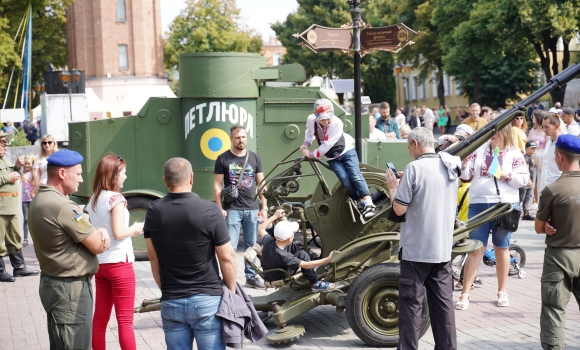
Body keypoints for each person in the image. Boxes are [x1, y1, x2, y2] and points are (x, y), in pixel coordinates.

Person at [146, 157, 236, 350]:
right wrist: (232, 292)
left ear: (165, 180)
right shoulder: (210, 210)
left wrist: (167, 291)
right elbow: (227, 257)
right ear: (192, 178)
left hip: (172, 301)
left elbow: (153, 258)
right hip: (207, 301)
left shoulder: (153, 211)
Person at [385, 127, 460, 350]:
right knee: (443, 307)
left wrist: (393, 188)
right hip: (442, 248)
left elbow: (399, 209)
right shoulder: (450, 165)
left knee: (411, 308)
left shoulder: (414, 168)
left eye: (409, 147)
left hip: (416, 250)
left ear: (416, 143)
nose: (409, 152)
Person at [28, 150, 110, 349]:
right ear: (62, 174)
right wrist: (101, 231)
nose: (81, 180)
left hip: (55, 283)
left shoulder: (39, 199)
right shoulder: (63, 206)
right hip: (70, 290)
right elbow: (98, 245)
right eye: (79, 174)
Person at [456, 125, 529, 310]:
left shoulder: (514, 153)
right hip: (478, 203)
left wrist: (504, 174)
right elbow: (465, 175)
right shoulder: (480, 150)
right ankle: (465, 292)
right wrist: (464, 163)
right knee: (475, 248)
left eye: (496, 132)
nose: (492, 135)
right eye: (491, 132)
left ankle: (502, 291)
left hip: (503, 205)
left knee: (501, 248)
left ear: (505, 133)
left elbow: (523, 180)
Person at [87, 154, 144, 350]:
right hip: (120, 263)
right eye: (123, 173)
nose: (125, 177)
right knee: (125, 321)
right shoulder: (116, 199)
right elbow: (119, 233)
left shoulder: (94, 198)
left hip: (100, 264)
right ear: (113, 175)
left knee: (100, 319)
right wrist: (137, 227)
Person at [534, 134, 580, 350]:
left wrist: (547, 225)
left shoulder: (552, 190)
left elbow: (538, 227)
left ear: (560, 156)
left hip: (560, 257)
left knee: (554, 310)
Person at [300, 99, 377, 218]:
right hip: (332, 158)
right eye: (322, 119)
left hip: (346, 151)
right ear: (315, 115)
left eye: (328, 118)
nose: (326, 122)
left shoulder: (337, 123)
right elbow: (309, 133)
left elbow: (327, 145)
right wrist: (306, 144)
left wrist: (311, 154)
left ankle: (369, 203)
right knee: (344, 179)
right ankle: (360, 202)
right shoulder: (311, 120)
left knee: (355, 175)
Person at [214, 125, 266, 289]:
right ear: (231, 139)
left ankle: (251, 277)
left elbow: (261, 184)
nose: (241, 140)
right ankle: (229, 279)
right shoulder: (223, 158)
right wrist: (220, 207)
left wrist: (264, 206)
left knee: (251, 246)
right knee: (230, 247)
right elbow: (217, 185)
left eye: (243, 137)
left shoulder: (255, 158)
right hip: (232, 209)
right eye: (237, 137)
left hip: (252, 208)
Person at [257, 208, 334, 291]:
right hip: (279, 276)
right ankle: (315, 284)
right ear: (290, 238)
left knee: (296, 244)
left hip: (270, 272)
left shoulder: (269, 240)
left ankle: (311, 265)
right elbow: (305, 265)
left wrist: (275, 216)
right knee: (303, 255)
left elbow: (261, 228)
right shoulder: (285, 256)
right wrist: (328, 259)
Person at [0, 134, 39, 283]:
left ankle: (19, 267)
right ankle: (1, 270)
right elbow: (6, 177)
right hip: (1, 207)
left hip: (10, 206)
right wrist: (7, 178)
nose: (5, 146)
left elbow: (13, 173)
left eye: (5, 144)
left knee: (15, 238)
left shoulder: (4, 158)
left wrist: (17, 166)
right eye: (2, 144)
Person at [540, 113, 562, 192]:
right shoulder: (549, 142)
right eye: (543, 127)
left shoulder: (563, 142)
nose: (544, 130)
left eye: (547, 127)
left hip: (559, 186)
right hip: (547, 184)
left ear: (556, 126)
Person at [528, 110, 547, 204]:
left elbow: (548, 145)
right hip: (533, 155)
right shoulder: (533, 130)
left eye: (534, 116)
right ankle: (530, 201)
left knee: (541, 180)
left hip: (542, 155)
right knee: (531, 178)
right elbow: (527, 143)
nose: (532, 118)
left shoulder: (544, 130)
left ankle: (541, 201)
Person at [520, 141, 537, 221]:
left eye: (535, 148)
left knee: (527, 198)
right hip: (526, 181)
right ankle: (514, 211)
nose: (534, 150)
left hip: (530, 181)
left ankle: (526, 214)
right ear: (526, 149)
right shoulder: (526, 157)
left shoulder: (530, 157)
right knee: (521, 198)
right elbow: (526, 168)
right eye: (532, 148)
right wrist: (528, 179)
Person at [21, 155, 35, 247]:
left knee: (33, 220)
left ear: (32, 163)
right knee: (25, 219)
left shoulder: (34, 173)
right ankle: (25, 239)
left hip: (33, 199)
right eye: (25, 163)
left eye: (29, 163)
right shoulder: (22, 173)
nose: (27, 165)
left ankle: (35, 239)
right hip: (24, 199)